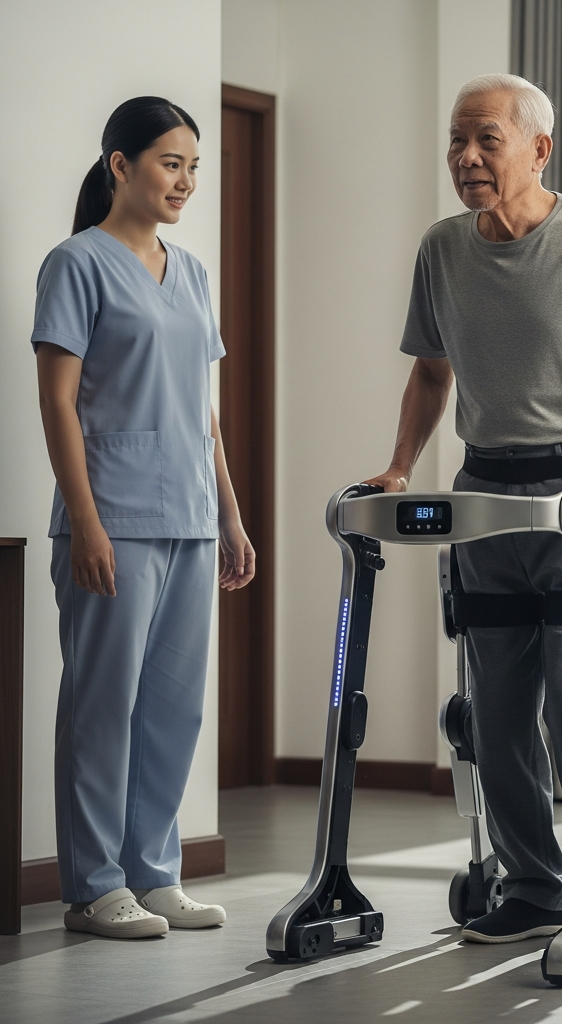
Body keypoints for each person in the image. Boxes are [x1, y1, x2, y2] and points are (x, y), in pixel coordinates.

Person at [368, 74, 562, 943]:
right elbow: (433, 371)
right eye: (457, 141)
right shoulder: (442, 249)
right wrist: (399, 467)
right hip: (486, 500)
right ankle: (534, 886)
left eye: (486, 140)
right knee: (494, 709)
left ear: (539, 148)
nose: (466, 158)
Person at [33, 97, 255, 939]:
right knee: (103, 704)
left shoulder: (192, 273)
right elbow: (57, 403)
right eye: (170, 163)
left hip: (191, 519)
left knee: (172, 706)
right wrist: (85, 522)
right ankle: (94, 886)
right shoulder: (76, 264)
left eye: (195, 166)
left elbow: (204, 412)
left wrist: (231, 517)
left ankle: (154, 873)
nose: (186, 181)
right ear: (120, 165)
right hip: (113, 516)